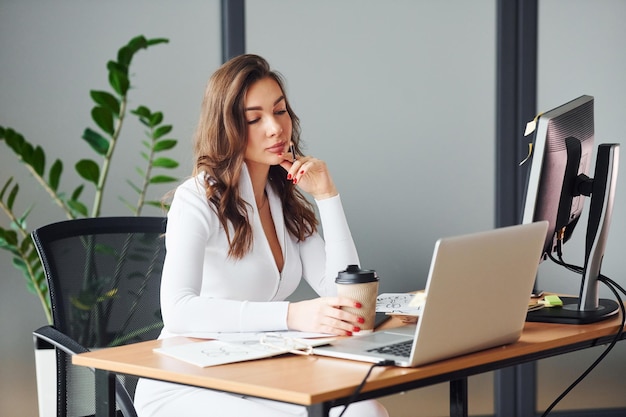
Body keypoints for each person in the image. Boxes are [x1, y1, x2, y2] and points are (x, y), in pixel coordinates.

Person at [134, 54, 389, 417]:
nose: (274, 128)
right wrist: (292, 316)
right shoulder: (197, 199)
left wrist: (327, 196)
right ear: (228, 127)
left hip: (254, 369)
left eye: (280, 111)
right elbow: (177, 311)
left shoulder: (281, 198)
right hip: (186, 381)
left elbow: (341, 294)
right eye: (254, 118)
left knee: (366, 412)